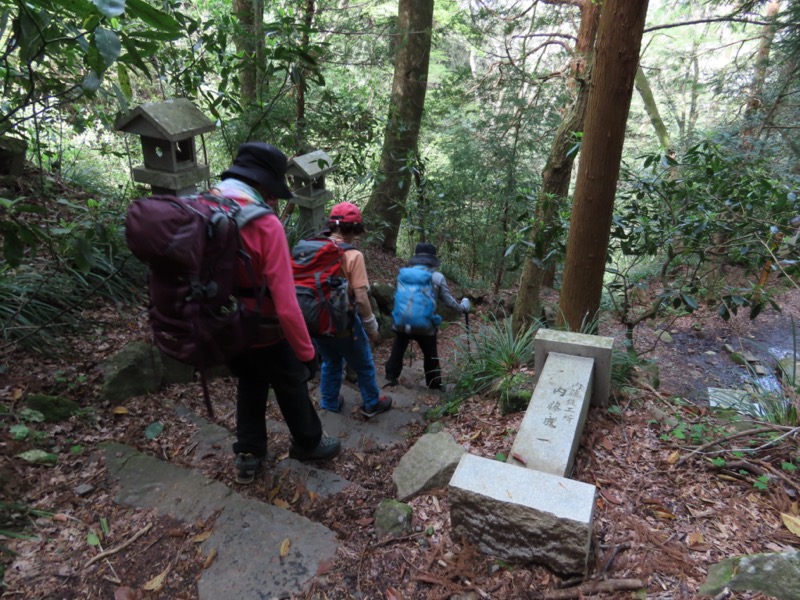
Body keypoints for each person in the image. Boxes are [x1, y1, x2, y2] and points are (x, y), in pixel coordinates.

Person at [214, 142, 340, 484]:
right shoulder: (263, 223)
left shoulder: (207, 203)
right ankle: (309, 443)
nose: (274, 202)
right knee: (291, 381)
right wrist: (307, 353)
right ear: (264, 187)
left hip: (223, 321)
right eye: (274, 193)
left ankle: (249, 453)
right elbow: (286, 303)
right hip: (266, 326)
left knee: (250, 382)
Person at [313, 202, 393, 418]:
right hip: (344, 322)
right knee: (364, 363)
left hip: (315, 318)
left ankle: (329, 403)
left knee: (330, 361)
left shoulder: (313, 247)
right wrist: (371, 327)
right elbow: (361, 297)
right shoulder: (352, 255)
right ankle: (372, 403)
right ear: (354, 230)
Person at [385, 243, 467, 390]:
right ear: (432, 259)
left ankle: (391, 376)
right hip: (425, 325)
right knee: (430, 354)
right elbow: (448, 301)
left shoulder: (405, 274)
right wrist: (461, 308)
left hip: (402, 322)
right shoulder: (437, 277)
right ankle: (434, 384)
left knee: (399, 347)